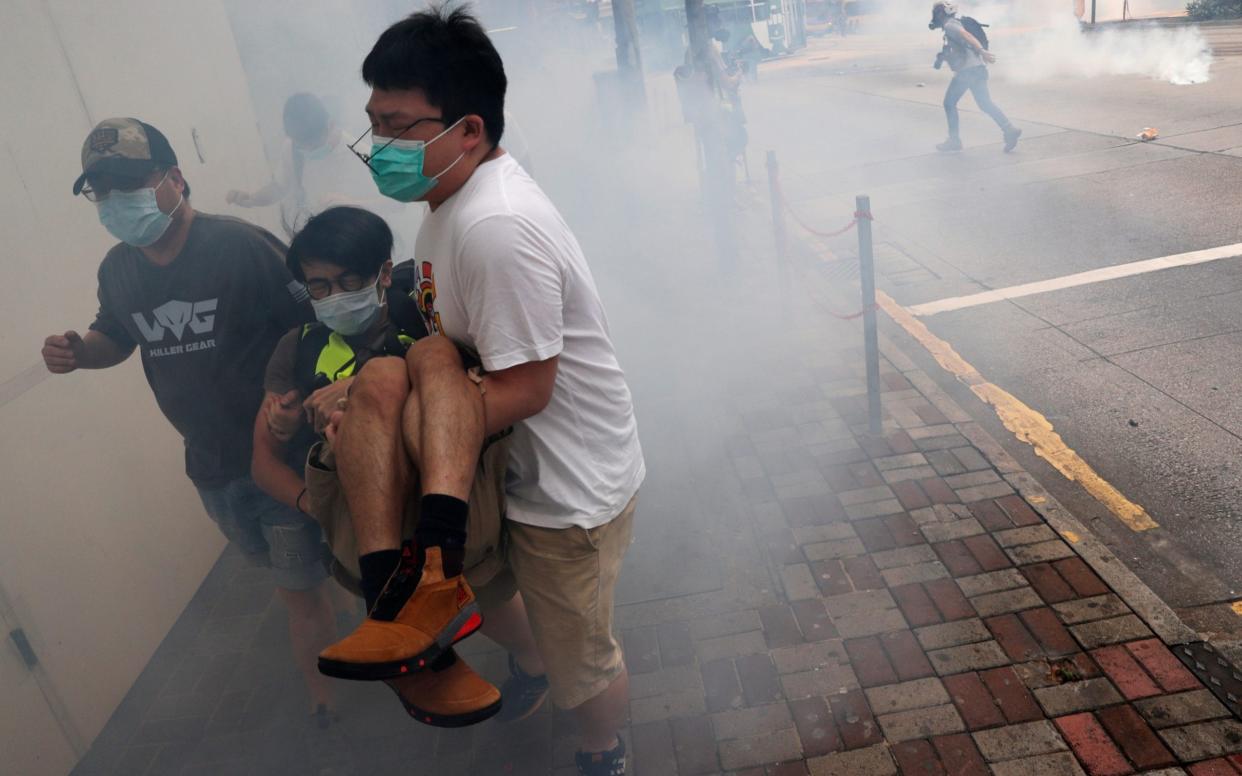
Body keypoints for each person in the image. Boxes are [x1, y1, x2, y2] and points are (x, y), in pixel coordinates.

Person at [324, 7, 645, 773]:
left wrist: (405, 434)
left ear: (468, 129)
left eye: (400, 127)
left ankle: (605, 751)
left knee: (583, 666)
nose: (380, 148)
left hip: (564, 494)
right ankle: (438, 621)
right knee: (495, 595)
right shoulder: (445, 205)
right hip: (500, 474)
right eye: (373, 124)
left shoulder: (494, 225)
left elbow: (529, 388)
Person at [42, 118, 339, 725]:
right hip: (209, 467)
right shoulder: (118, 270)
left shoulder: (239, 246)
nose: (116, 202)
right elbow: (116, 337)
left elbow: (314, 325)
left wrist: (299, 394)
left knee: (298, 589)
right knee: (288, 573)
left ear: (175, 179)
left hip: (278, 459)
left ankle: (327, 707)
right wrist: (80, 351)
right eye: (102, 192)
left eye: (131, 183)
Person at [252, 206, 541, 727]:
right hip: (368, 520)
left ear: (385, 274)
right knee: (385, 374)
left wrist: (363, 387)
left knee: (494, 607)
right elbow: (263, 458)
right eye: (318, 286)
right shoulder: (297, 349)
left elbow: (485, 384)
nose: (334, 296)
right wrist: (304, 479)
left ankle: (529, 659)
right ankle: (406, 632)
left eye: (349, 281)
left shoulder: (429, 318)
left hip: (447, 500)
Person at [226, 93, 420, 250]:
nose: (308, 151)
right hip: (323, 243)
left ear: (330, 126)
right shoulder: (292, 149)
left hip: (361, 241)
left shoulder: (360, 153)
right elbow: (279, 186)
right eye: (302, 146)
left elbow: (398, 201)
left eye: (313, 145)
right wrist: (251, 199)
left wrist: (352, 204)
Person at [929, 1, 1021, 153]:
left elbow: (967, 35)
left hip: (968, 72)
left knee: (949, 103)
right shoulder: (955, 24)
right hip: (978, 69)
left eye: (936, 12)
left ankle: (954, 140)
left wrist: (982, 51)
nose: (934, 15)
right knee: (985, 103)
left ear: (941, 13)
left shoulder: (951, 25)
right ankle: (1009, 129)